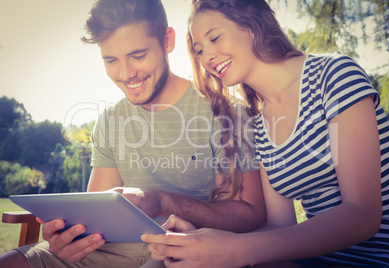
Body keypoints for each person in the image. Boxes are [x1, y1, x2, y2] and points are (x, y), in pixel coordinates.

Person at [0, 0, 266, 267]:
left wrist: (163, 201)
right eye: (111, 60)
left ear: (167, 41)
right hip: (106, 250)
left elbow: (251, 214)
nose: (125, 74)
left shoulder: (223, 111)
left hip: (178, 250)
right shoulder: (110, 120)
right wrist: (69, 237)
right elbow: (94, 215)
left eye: (137, 55)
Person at [141, 0, 389, 267]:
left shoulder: (333, 75)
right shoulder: (260, 126)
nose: (207, 57)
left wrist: (236, 249)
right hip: (314, 261)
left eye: (215, 38)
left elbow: (363, 215)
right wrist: (203, 239)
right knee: (166, 261)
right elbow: (280, 227)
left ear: (251, 25)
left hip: (385, 259)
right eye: (199, 50)